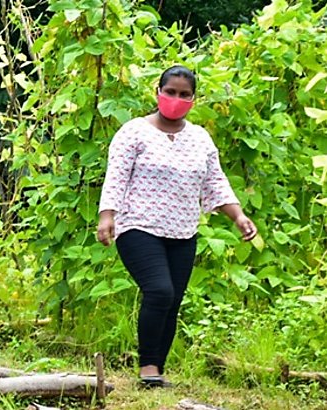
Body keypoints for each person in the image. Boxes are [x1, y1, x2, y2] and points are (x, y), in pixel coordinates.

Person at [96, 65, 257, 387]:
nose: (176, 98)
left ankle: (157, 369)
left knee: (173, 299)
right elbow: (116, 176)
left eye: (184, 94)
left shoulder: (199, 138)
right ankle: (148, 370)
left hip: (183, 231)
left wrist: (238, 216)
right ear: (158, 92)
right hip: (138, 226)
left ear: (193, 99)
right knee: (159, 290)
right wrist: (107, 216)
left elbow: (215, 181)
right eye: (170, 92)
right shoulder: (134, 132)